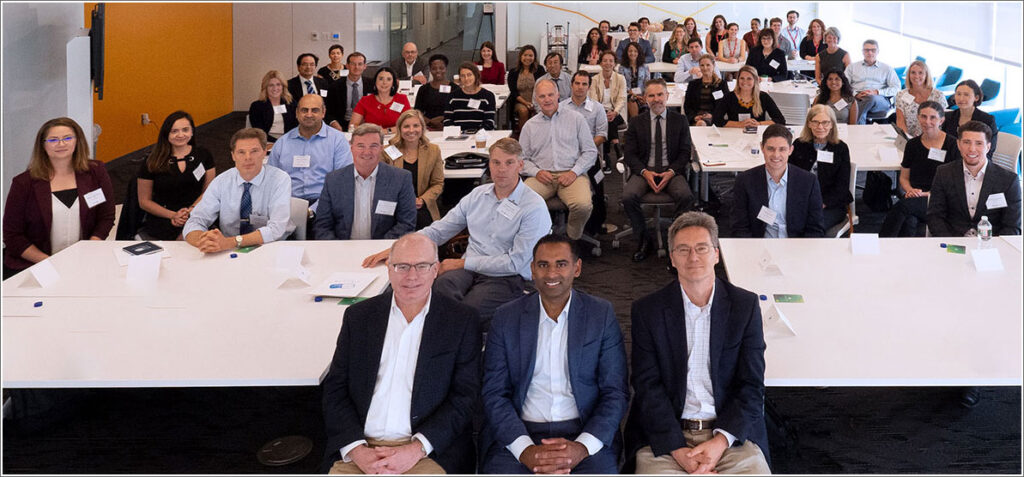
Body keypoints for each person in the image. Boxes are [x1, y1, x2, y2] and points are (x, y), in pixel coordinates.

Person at [321, 233, 481, 475]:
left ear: (436, 269)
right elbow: (335, 390)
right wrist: (357, 450)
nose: (412, 276)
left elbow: (465, 397)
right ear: (389, 268)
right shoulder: (359, 317)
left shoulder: (461, 321)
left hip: (426, 452)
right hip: (359, 450)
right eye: (402, 266)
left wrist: (417, 449)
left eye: (422, 266)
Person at [625, 211, 771, 474]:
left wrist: (719, 442)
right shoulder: (648, 311)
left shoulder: (744, 306)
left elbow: (751, 384)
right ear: (672, 258)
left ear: (716, 254)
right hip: (667, 437)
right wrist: (678, 450)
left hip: (731, 437)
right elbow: (647, 387)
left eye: (702, 248)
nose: (693, 257)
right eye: (683, 249)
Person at [362, 138, 551, 330]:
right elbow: (442, 228)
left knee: (468, 311)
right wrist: (401, 247)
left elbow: (515, 263)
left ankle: (453, 351)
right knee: (438, 294)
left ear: (520, 165)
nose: (502, 169)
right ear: (489, 164)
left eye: (509, 163)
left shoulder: (533, 207)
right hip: (469, 268)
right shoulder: (477, 195)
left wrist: (462, 263)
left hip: (507, 276)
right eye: (496, 162)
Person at [480, 234, 628, 474]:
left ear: (577, 268)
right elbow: (494, 393)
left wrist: (581, 447)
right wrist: (525, 450)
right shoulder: (506, 317)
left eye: (561, 264)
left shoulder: (600, 315)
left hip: (583, 432)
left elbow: (616, 392)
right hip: (520, 433)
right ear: (532, 269)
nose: (551, 274)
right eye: (543, 265)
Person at [3, 117, 114, 279]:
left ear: (78, 141)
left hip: (83, 262)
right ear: (43, 145)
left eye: (67, 138)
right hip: (36, 265)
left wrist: (90, 249)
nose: (61, 144)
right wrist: (51, 263)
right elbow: (13, 235)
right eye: (53, 140)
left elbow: (106, 216)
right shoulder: (24, 183)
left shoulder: (96, 172)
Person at [183, 128, 293, 252]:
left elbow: (276, 229)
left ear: (264, 152)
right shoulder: (221, 181)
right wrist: (205, 241)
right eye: (241, 152)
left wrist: (230, 242)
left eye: (254, 151)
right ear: (233, 156)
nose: (248, 158)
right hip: (229, 250)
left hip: (271, 247)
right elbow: (195, 221)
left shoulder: (280, 179)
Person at [622, 78, 694, 262]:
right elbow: (630, 155)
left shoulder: (680, 120)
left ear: (667, 96)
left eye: (660, 94)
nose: (656, 99)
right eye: (651, 95)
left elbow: (685, 153)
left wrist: (671, 172)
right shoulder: (637, 122)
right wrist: (645, 173)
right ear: (645, 98)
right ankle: (643, 238)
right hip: (644, 169)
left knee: (686, 196)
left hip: (672, 170)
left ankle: (675, 239)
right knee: (628, 196)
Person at [521, 79, 598, 243]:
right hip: (541, 175)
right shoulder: (529, 126)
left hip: (572, 174)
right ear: (536, 99)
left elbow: (590, 151)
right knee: (517, 202)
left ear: (558, 95)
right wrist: (537, 172)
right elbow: (522, 159)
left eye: (550, 95)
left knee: (583, 205)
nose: (547, 99)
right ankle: (537, 239)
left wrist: (574, 172)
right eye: (542, 96)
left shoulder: (576, 119)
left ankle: (572, 239)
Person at [313, 123, 416, 240]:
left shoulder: (401, 179)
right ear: (351, 148)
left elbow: (407, 224)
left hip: (383, 250)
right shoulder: (333, 180)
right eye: (361, 146)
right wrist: (338, 249)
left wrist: (379, 249)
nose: (367, 152)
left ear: (381, 148)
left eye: (373, 146)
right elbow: (322, 226)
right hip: (342, 249)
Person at [927, 120, 1021, 238]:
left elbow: (1012, 226)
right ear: (958, 144)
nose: (972, 149)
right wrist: (951, 243)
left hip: (992, 244)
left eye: (979, 143)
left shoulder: (1008, 180)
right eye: (966, 142)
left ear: (988, 147)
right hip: (953, 241)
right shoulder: (944, 173)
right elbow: (935, 217)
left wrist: (993, 247)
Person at [880, 101, 961, 237]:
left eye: (932, 117)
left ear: (941, 120)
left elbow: (956, 183)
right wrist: (910, 190)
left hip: (941, 198)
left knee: (903, 207)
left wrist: (927, 194)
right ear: (918, 118)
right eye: (923, 116)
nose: (927, 121)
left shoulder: (953, 145)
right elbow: (904, 177)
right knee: (909, 221)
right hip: (915, 196)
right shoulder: (912, 145)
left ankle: (882, 242)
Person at [267, 94, 353, 219]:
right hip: (288, 206)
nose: (309, 114)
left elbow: (342, 183)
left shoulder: (338, 140)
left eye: (315, 110)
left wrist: (311, 211)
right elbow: (271, 181)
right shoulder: (282, 143)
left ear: (323, 113)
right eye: (304, 110)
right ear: (297, 113)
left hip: (326, 206)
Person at [731, 124, 825, 238]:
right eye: (770, 149)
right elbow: (740, 228)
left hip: (797, 247)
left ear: (790, 150)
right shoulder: (745, 181)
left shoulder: (808, 182)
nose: (776, 155)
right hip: (759, 247)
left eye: (782, 149)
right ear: (762, 148)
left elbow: (815, 229)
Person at [136, 111, 216, 241]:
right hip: (163, 216)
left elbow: (209, 190)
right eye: (174, 131)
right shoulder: (152, 160)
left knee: (196, 240)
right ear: (166, 133)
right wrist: (173, 215)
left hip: (197, 213)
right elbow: (144, 201)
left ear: (192, 132)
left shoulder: (204, 155)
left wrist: (191, 211)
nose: (180, 135)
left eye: (185, 130)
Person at [789, 105, 854, 231]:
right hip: (802, 200)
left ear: (832, 125)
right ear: (809, 124)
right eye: (815, 122)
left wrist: (822, 203)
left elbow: (842, 186)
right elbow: (791, 177)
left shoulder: (840, 148)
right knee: (790, 223)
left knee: (813, 225)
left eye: (825, 122)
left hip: (831, 204)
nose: (820, 127)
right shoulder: (799, 144)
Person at [563, 71, 611, 239]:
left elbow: (602, 134)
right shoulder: (561, 107)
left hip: (590, 157)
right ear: (572, 85)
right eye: (577, 83)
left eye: (584, 84)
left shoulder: (597, 108)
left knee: (597, 185)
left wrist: (586, 147)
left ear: (589, 87)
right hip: (566, 158)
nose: (580, 87)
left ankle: (594, 226)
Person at [382, 110, 445, 228]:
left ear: (422, 127)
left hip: (422, 206)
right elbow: (381, 184)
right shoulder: (388, 151)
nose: (411, 130)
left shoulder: (433, 150)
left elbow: (437, 183)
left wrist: (422, 200)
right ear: (399, 129)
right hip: (395, 207)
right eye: (406, 126)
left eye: (416, 125)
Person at [845, 39, 901, 124]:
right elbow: (843, 85)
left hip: (879, 99)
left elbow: (896, 88)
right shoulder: (852, 67)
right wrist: (855, 94)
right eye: (867, 50)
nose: (870, 53)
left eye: (873, 50)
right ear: (862, 51)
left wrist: (876, 92)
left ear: (878, 51)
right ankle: (860, 130)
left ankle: (855, 128)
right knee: (859, 101)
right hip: (856, 97)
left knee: (869, 98)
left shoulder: (887, 69)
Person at [941, 79, 998, 159]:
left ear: (976, 98)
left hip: (976, 161)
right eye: (958, 94)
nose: (961, 98)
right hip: (950, 161)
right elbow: (943, 144)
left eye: (966, 95)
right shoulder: (948, 117)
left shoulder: (987, 120)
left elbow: (989, 150)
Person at [712, 65, 785, 127]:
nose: (745, 82)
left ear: (755, 80)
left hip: (756, 135)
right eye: (742, 78)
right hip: (734, 136)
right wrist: (739, 124)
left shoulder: (763, 97)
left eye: (749, 79)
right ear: (738, 80)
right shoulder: (729, 97)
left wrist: (759, 124)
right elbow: (716, 120)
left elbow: (780, 120)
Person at [894, 60, 948, 137]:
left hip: (933, 138)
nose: (916, 76)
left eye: (920, 73)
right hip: (910, 139)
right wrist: (907, 140)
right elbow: (900, 121)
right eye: (913, 73)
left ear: (926, 75)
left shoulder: (938, 95)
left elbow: (942, 122)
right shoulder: (901, 95)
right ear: (908, 75)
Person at [589, 50, 628, 157]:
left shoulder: (620, 78)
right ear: (600, 63)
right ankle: (616, 145)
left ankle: (606, 157)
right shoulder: (594, 79)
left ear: (615, 63)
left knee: (609, 120)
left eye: (611, 61)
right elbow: (594, 99)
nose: (608, 63)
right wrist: (603, 113)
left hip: (617, 112)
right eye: (605, 60)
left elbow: (622, 98)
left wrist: (615, 112)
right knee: (607, 120)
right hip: (600, 112)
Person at [350, 67, 411, 134]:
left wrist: (386, 131)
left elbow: (409, 124)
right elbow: (352, 126)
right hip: (371, 138)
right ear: (375, 82)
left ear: (393, 83)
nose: (384, 82)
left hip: (396, 139)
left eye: (389, 79)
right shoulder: (365, 101)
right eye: (381, 79)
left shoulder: (402, 99)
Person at [326, 52, 373, 132]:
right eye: (353, 64)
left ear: (365, 66)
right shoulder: (335, 86)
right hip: (341, 125)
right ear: (347, 66)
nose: (356, 67)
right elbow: (328, 111)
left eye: (360, 64)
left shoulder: (372, 85)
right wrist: (333, 123)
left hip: (366, 124)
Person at [445, 61, 497, 132]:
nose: (466, 78)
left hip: (481, 136)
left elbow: (489, 122)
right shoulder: (452, 97)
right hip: (457, 137)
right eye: (463, 76)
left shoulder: (488, 96)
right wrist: (458, 133)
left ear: (476, 75)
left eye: (469, 75)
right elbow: (447, 121)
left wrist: (476, 133)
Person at [249, 70, 298, 143]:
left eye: (278, 84)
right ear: (265, 87)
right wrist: (278, 142)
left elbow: (296, 126)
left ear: (283, 87)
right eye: (271, 85)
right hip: (267, 141)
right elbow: (259, 131)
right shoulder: (257, 106)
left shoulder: (291, 104)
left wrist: (287, 141)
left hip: (289, 140)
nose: (275, 88)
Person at [508, 45, 546, 136]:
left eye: (530, 55)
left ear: (534, 57)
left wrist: (535, 103)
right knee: (523, 111)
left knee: (538, 112)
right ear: (521, 56)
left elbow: (543, 87)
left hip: (537, 100)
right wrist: (526, 103)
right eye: (525, 55)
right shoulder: (513, 72)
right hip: (520, 101)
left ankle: (538, 136)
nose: (528, 58)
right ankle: (524, 136)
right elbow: (514, 92)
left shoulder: (540, 70)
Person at [684, 54, 730, 126]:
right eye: (702, 65)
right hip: (696, 118)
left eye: (708, 65)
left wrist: (712, 115)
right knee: (700, 123)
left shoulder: (721, 84)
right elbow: (687, 105)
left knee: (701, 124)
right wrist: (694, 117)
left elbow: (725, 105)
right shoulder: (693, 84)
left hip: (715, 119)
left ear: (713, 66)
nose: (705, 68)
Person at [412, 54, 453, 131]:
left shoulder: (454, 88)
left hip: (448, 128)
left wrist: (442, 118)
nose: (438, 71)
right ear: (430, 70)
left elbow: (456, 110)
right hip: (427, 127)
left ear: (446, 69)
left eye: (441, 68)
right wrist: (428, 121)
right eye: (434, 68)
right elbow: (417, 111)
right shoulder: (423, 89)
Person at [620, 42, 651, 119]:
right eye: (630, 51)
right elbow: (622, 84)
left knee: (646, 108)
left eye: (635, 51)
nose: (632, 53)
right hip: (628, 94)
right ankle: (636, 126)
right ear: (626, 53)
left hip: (642, 95)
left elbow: (647, 83)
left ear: (639, 53)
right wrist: (634, 95)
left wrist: (645, 96)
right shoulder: (622, 67)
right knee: (632, 100)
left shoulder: (645, 67)